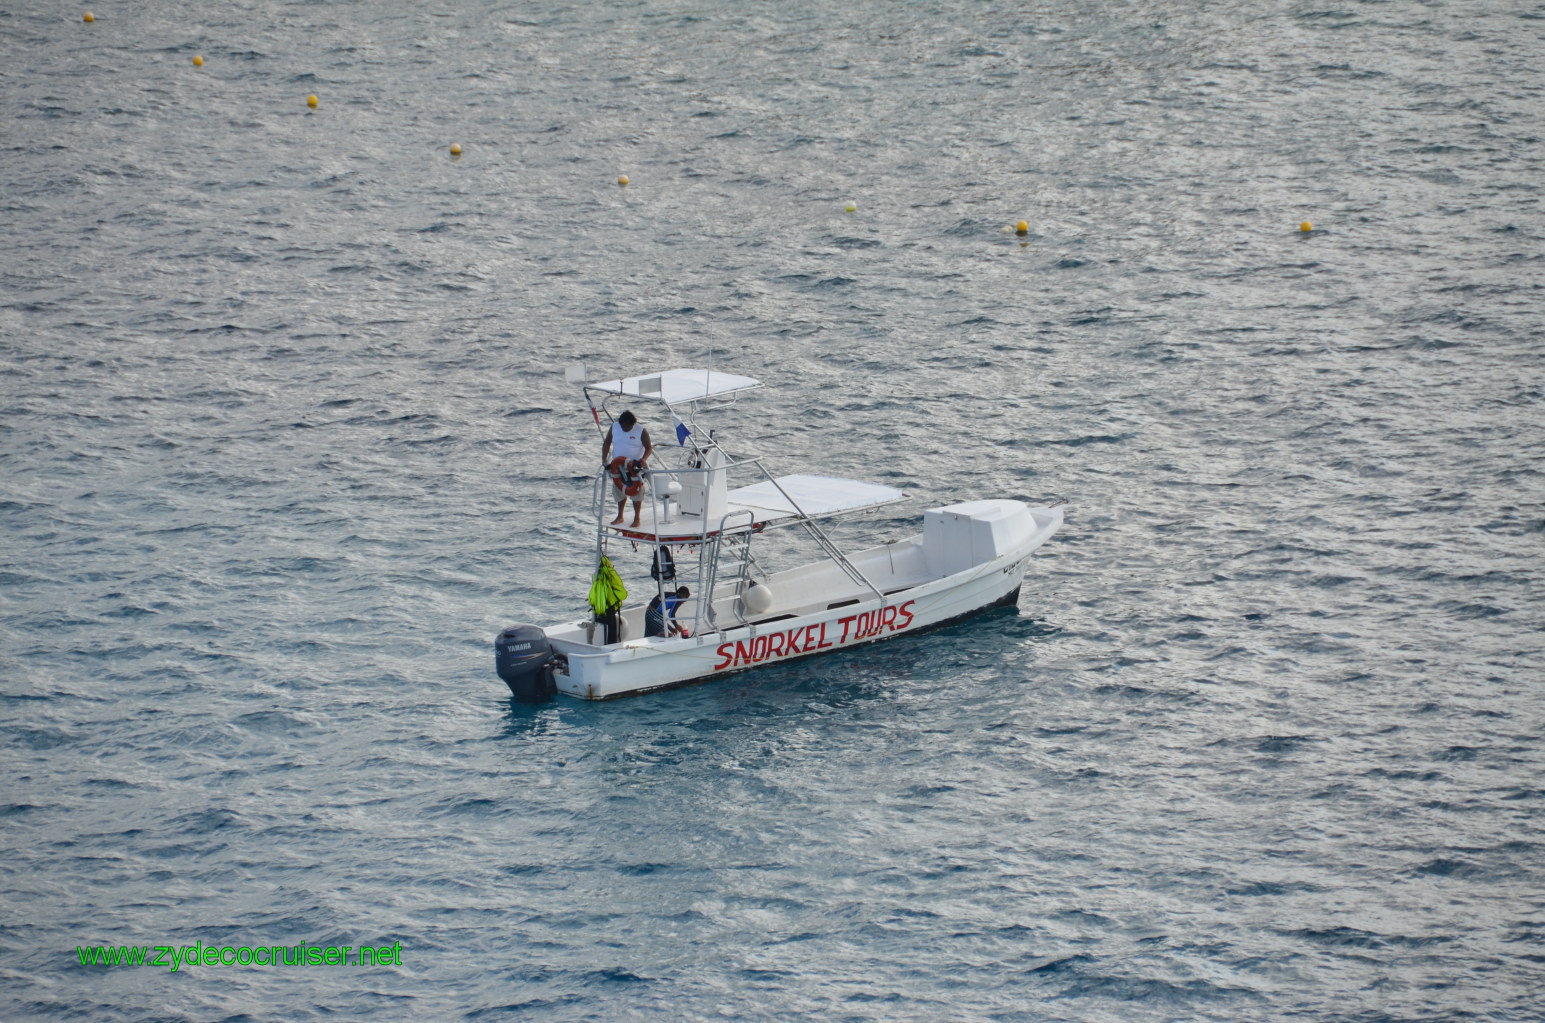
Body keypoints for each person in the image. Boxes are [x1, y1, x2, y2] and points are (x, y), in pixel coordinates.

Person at [601, 410, 654, 527]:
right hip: (617, 466)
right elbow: (607, 443)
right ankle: (620, 516)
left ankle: (637, 519)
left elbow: (649, 447)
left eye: (628, 426)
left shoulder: (641, 430)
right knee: (619, 490)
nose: (625, 428)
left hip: (635, 466)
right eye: (623, 426)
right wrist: (604, 461)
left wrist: (644, 459)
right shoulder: (614, 427)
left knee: (637, 493)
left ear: (633, 424)